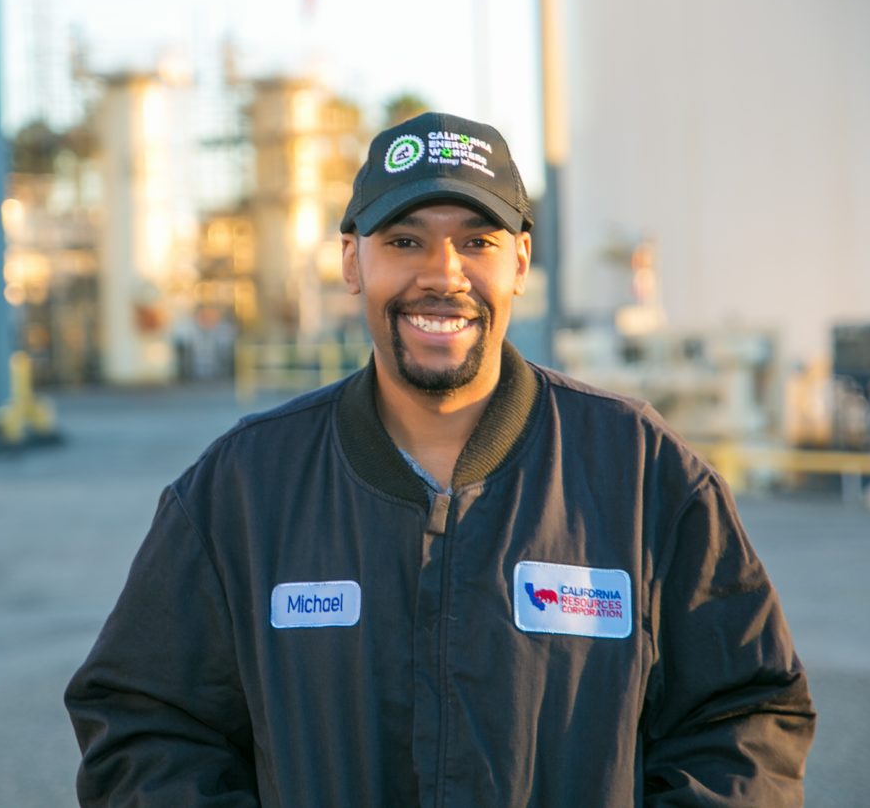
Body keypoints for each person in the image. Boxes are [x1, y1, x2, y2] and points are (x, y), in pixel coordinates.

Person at [65, 112, 816, 807]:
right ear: (352, 259)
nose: (443, 273)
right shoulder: (243, 490)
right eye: (404, 240)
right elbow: (146, 726)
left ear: (520, 261)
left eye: (477, 241)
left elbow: (747, 717)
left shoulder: (643, 475)